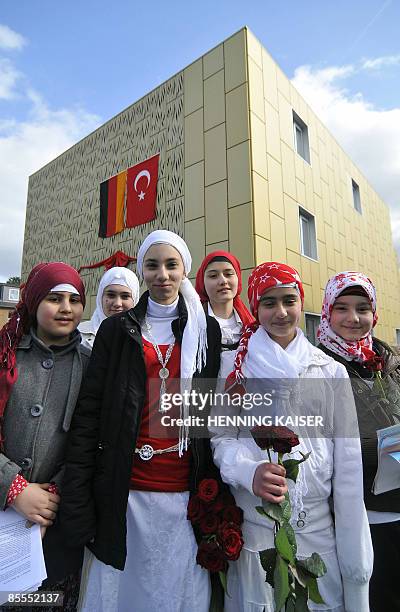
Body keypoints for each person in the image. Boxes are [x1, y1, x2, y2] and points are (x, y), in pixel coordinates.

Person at [59, 230, 222, 612]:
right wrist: (80, 500)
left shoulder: (206, 329)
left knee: (176, 593)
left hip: (183, 489)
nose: (162, 274)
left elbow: (208, 411)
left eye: (171, 265)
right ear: (141, 270)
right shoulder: (117, 330)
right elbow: (90, 414)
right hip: (125, 489)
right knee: (120, 593)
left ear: (185, 270)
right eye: (152, 265)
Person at [210, 262, 373, 612]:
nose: (281, 312)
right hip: (257, 532)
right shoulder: (233, 367)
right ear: (255, 308)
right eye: (269, 303)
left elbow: (347, 467)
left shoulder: (329, 370)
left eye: (289, 300)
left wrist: (357, 563)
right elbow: (221, 439)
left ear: (302, 303)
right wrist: (247, 471)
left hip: (317, 535)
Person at [0, 262, 89, 607]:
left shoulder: (92, 365)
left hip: (55, 528)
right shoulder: (5, 354)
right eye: (54, 298)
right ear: (35, 300)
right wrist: (14, 487)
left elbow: (95, 444)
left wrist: (53, 496)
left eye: (74, 299)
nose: (66, 308)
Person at [317, 271, 400, 612]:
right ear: (327, 312)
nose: (353, 318)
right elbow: (320, 447)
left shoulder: (391, 361)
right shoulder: (316, 368)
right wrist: (380, 448)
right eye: (342, 308)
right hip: (362, 516)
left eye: (363, 308)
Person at [195, 251, 254, 379]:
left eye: (228, 274)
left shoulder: (252, 327)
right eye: (213, 276)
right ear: (202, 282)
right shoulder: (192, 325)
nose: (223, 281)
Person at [79, 266, 140, 350]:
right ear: (101, 297)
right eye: (111, 295)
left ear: (135, 299)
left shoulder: (146, 337)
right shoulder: (78, 335)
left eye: (125, 296)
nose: (117, 303)